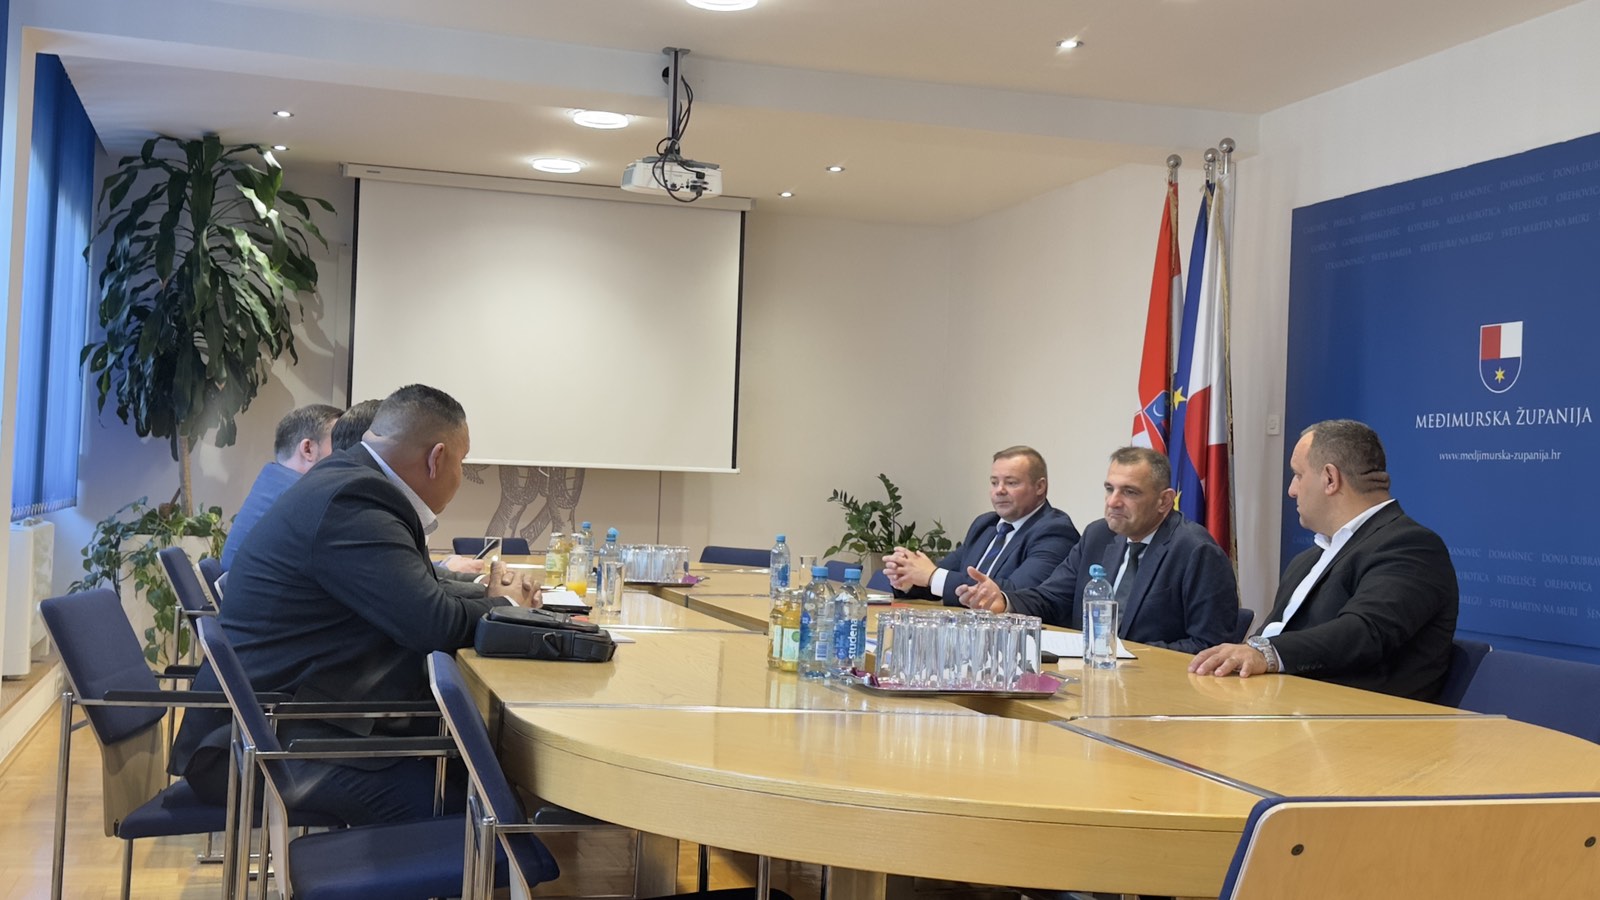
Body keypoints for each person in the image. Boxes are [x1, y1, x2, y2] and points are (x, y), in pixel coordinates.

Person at [171, 384, 539, 825]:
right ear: (437, 458)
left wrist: (491, 597)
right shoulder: (354, 500)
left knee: (476, 768)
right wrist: (501, 604)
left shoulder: (350, 481)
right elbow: (433, 624)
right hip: (263, 743)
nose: (460, 475)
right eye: (463, 462)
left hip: (293, 718)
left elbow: (419, 591)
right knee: (479, 807)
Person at [1189, 419, 1458, 701]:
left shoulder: (1411, 546)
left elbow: (1364, 632)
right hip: (1275, 705)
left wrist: (1265, 653)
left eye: (1298, 475)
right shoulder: (1307, 561)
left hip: (1352, 717)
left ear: (1330, 479)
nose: (1292, 490)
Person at [960, 447, 1238, 652]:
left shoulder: (1195, 551)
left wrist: (1124, 653)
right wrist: (1004, 601)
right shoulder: (1098, 535)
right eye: (1109, 489)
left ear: (1164, 501)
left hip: (1156, 690)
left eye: (1129, 492)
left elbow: (1209, 645)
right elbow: (1051, 597)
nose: (1113, 502)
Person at [883, 446, 1079, 604]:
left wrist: (932, 575)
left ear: (1040, 487)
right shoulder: (985, 525)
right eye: (994, 482)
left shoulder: (1055, 532)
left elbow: (1017, 594)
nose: (999, 490)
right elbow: (942, 577)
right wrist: (908, 579)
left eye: (1011, 483)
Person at [219, 403, 341, 569]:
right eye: (339, 444)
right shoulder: (306, 499)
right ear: (308, 449)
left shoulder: (272, 479)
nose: (346, 454)